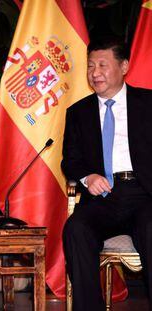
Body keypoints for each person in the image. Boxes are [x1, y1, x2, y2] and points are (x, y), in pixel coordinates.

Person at [62, 37, 152, 310]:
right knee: (76, 229)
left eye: (103, 64)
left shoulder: (148, 103)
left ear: (124, 66)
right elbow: (70, 161)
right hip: (102, 197)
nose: (95, 73)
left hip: (144, 193)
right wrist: (89, 177)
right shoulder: (78, 112)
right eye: (90, 66)